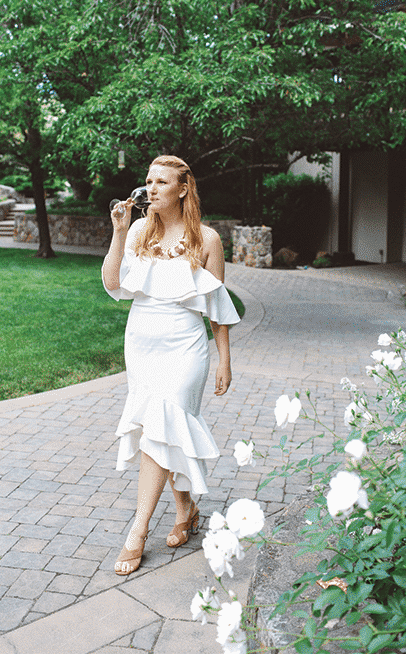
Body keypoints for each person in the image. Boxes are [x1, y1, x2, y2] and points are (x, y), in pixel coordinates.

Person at [101, 155, 239, 576]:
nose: (153, 188)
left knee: (163, 424)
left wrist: (225, 360)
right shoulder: (139, 230)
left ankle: (137, 530)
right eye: (149, 181)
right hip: (141, 343)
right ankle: (186, 512)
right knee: (162, 431)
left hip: (185, 348)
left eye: (162, 181)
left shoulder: (208, 240)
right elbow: (112, 283)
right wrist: (119, 232)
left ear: (182, 189)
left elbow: (216, 307)